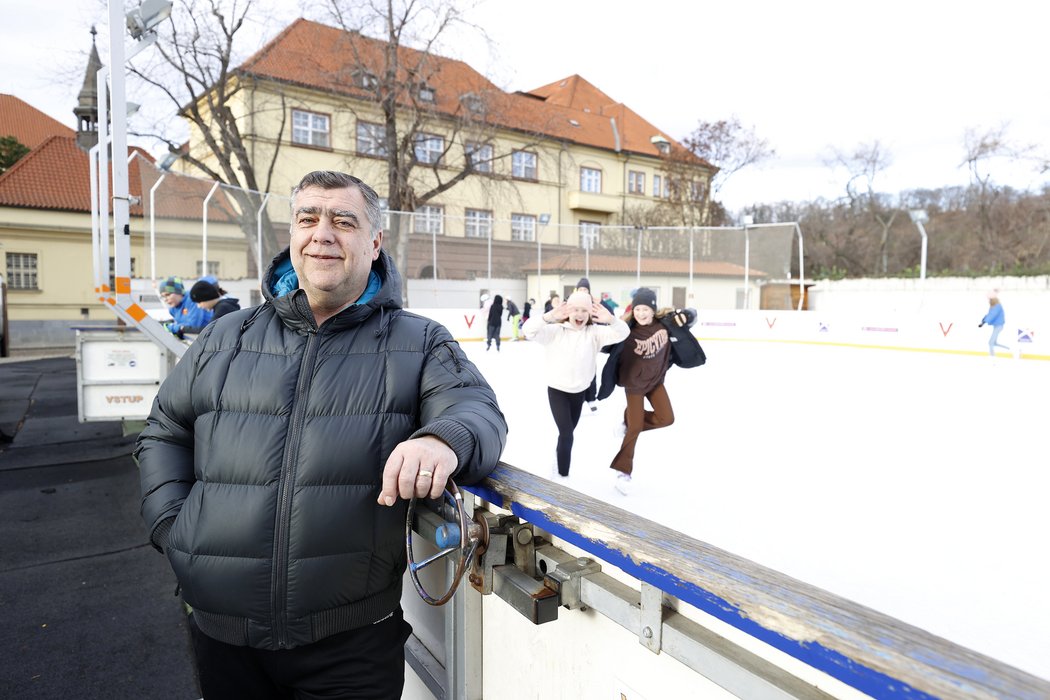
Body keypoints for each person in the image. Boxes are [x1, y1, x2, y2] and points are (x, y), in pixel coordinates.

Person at [135, 170, 507, 699]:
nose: (322, 233)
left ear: (374, 243)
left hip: (350, 643)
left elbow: (479, 410)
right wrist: (173, 529)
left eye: (343, 221)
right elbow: (164, 432)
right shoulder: (226, 336)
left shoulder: (418, 341)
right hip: (221, 632)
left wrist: (441, 439)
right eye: (308, 218)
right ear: (293, 236)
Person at [598, 288, 705, 495]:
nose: (641, 313)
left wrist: (687, 315)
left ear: (653, 309)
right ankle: (623, 472)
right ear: (633, 310)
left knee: (667, 418)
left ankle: (627, 421)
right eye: (637, 309)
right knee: (635, 427)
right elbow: (604, 341)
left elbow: (692, 315)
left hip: (655, 382)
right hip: (634, 386)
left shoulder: (666, 324)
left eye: (645, 309)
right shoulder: (625, 330)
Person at [522, 290, 629, 478]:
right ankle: (563, 475)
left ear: (589, 314)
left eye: (584, 311)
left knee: (568, 433)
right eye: (576, 309)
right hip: (557, 391)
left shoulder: (594, 333)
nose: (579, 314)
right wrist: (549, 317)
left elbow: (623, 333)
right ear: (568, 311)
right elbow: (528, 330)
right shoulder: (555, 331)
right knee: (567, 433)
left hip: (579, 391)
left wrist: (611, 319)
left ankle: (559, 458)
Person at [573, 278, 600, 413]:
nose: (583, 291)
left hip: (589, 339)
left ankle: (591, 398)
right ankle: (577, 398)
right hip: (572, 341)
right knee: (576, 369)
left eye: (585, 289)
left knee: (590, 369)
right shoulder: (570, 302)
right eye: (581, 289)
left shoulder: (594, 303)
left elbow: (607, 314)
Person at [979, 290, 1009, 357]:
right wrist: (983, 320)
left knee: (991, 343)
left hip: (999, 326)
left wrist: (985, 321)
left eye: (990, 299)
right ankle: (1009, 349)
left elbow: (992, 315)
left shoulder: (997, 306)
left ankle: (992, 356)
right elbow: (989, 314)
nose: (989, 301)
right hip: (997, 326)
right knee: (994, 343)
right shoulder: (994, 306)